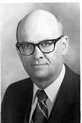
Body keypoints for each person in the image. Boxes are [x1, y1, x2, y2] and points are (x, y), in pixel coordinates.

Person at [2, 9, 80, 123]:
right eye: (27, 45)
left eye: (46, 44)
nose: (37, 55)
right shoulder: (13, 94)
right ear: (19, 52)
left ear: (64, 46)